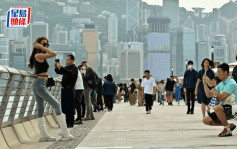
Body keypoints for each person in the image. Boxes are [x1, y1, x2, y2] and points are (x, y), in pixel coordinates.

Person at [29, 36, 74, 141]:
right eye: (44, 44)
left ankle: (43, 135)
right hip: (39, 85)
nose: (46, 46)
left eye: (47, 45)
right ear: (39, 45)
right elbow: (54, 54)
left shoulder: (39, 56)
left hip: (40, 83)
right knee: (57, 105)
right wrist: (42, 47)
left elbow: (35, 72)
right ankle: (65, 131)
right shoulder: (38, 55)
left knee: (40, 109)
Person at [202, 63, 237, 137]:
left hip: (234, 108)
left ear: (225, 72)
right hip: (226, 109)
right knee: (205, 120)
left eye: (219, 72)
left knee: (217, 108)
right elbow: (209, 94)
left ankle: (227, 129)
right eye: (217, 72)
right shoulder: (221, 84)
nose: (217, 74)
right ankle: (229, 125)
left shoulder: (232, 83)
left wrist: (212, 86)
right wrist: (205, 84)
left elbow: (221, 98)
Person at [55, 55, 78, 128]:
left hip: (70, 89)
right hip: (64, 89)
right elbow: (60, 71)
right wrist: (56, 67)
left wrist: (61, 67)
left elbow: (70, 73)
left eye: (68, 60)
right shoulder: (66, 68)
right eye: (66, 60)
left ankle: (70, 123)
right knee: (64, 106)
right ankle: (65, 122)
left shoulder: (74, 68)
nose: (66, 61)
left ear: (72, 60)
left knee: (70, 106)